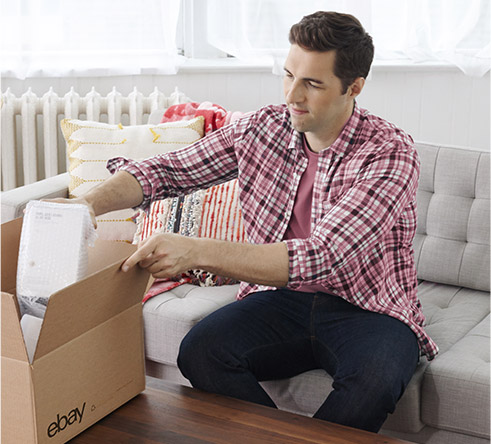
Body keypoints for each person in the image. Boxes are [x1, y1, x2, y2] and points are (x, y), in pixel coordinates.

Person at [59, 11, 438, 433]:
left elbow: (322, 257)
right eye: (289, 75)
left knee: (375, 381)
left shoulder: (389, 152)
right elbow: (165, 171)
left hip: (367, 308)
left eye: (312, 83)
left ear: (354, 88)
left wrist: (195, 250)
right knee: (201, 352)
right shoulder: (262, 128)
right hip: (281, 298)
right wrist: (87, 204)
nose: (293, 95)